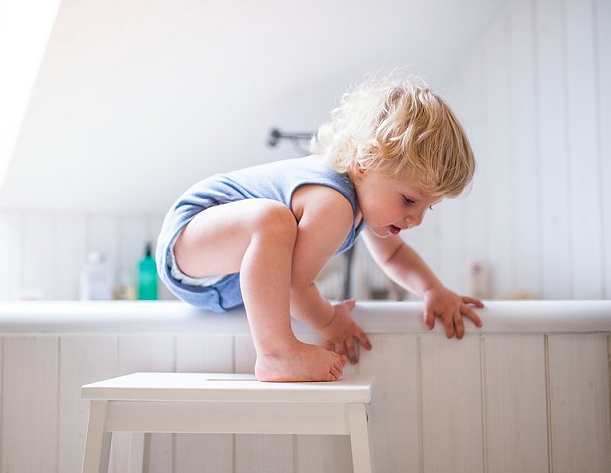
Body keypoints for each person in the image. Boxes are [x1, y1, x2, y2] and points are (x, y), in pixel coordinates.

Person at [155, 74, 484, 382]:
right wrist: (329, 321)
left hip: (222, 269)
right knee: (273, 220)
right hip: (190, 238)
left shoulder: (365, 202)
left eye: (429, 207)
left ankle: (277, 349)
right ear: (363, 163)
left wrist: (431, 289)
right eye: (409, 201)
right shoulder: (334, 203)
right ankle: (276, 353)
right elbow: (294, 284)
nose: (417, 219)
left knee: (274, 227)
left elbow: (394, 255)